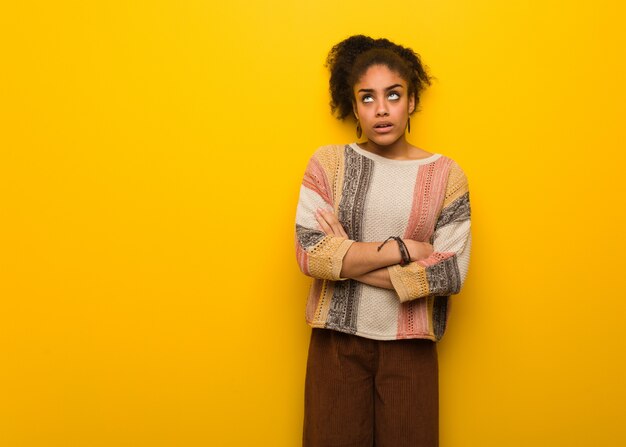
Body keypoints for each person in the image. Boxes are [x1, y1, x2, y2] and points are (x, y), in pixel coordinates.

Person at [295, 34, 471, 447]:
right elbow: (310, 254)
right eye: (367, 98)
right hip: (335, 342)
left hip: (410, 345)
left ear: (411, 101)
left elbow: (450, 273)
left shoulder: (447, 175)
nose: (382, 109)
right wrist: (405, 250)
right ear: (353, 106)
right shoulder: (328, 164)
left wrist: (348, 258)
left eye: (393, 95)